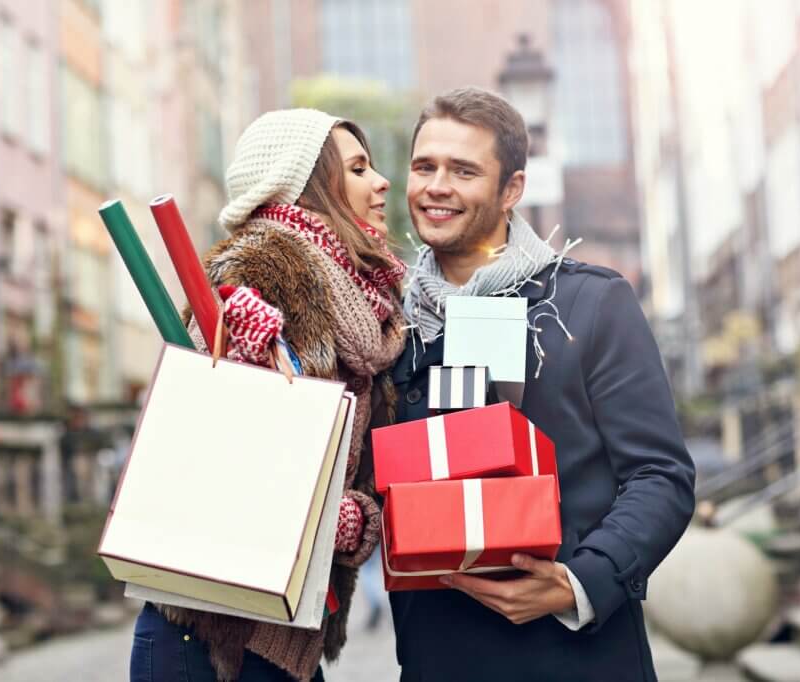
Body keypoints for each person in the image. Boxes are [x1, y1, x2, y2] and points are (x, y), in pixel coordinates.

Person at [387, 87, 696, 681]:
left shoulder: (590, 302)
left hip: (575, 658)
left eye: (463, 170)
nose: (436, 186)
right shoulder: (386, 324)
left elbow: (661, 476)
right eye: (424, 166)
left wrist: (580, 582)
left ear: (512, 190)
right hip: (435, 659)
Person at [130, 109, 407, 682]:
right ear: (307, 186)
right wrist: (237, 353)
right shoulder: (257, 268)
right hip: (206, 632)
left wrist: (355, 519)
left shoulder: (376, 312)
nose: (382, 182)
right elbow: (206, 436)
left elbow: (361, 473)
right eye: (358, 168)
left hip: (291, 635)